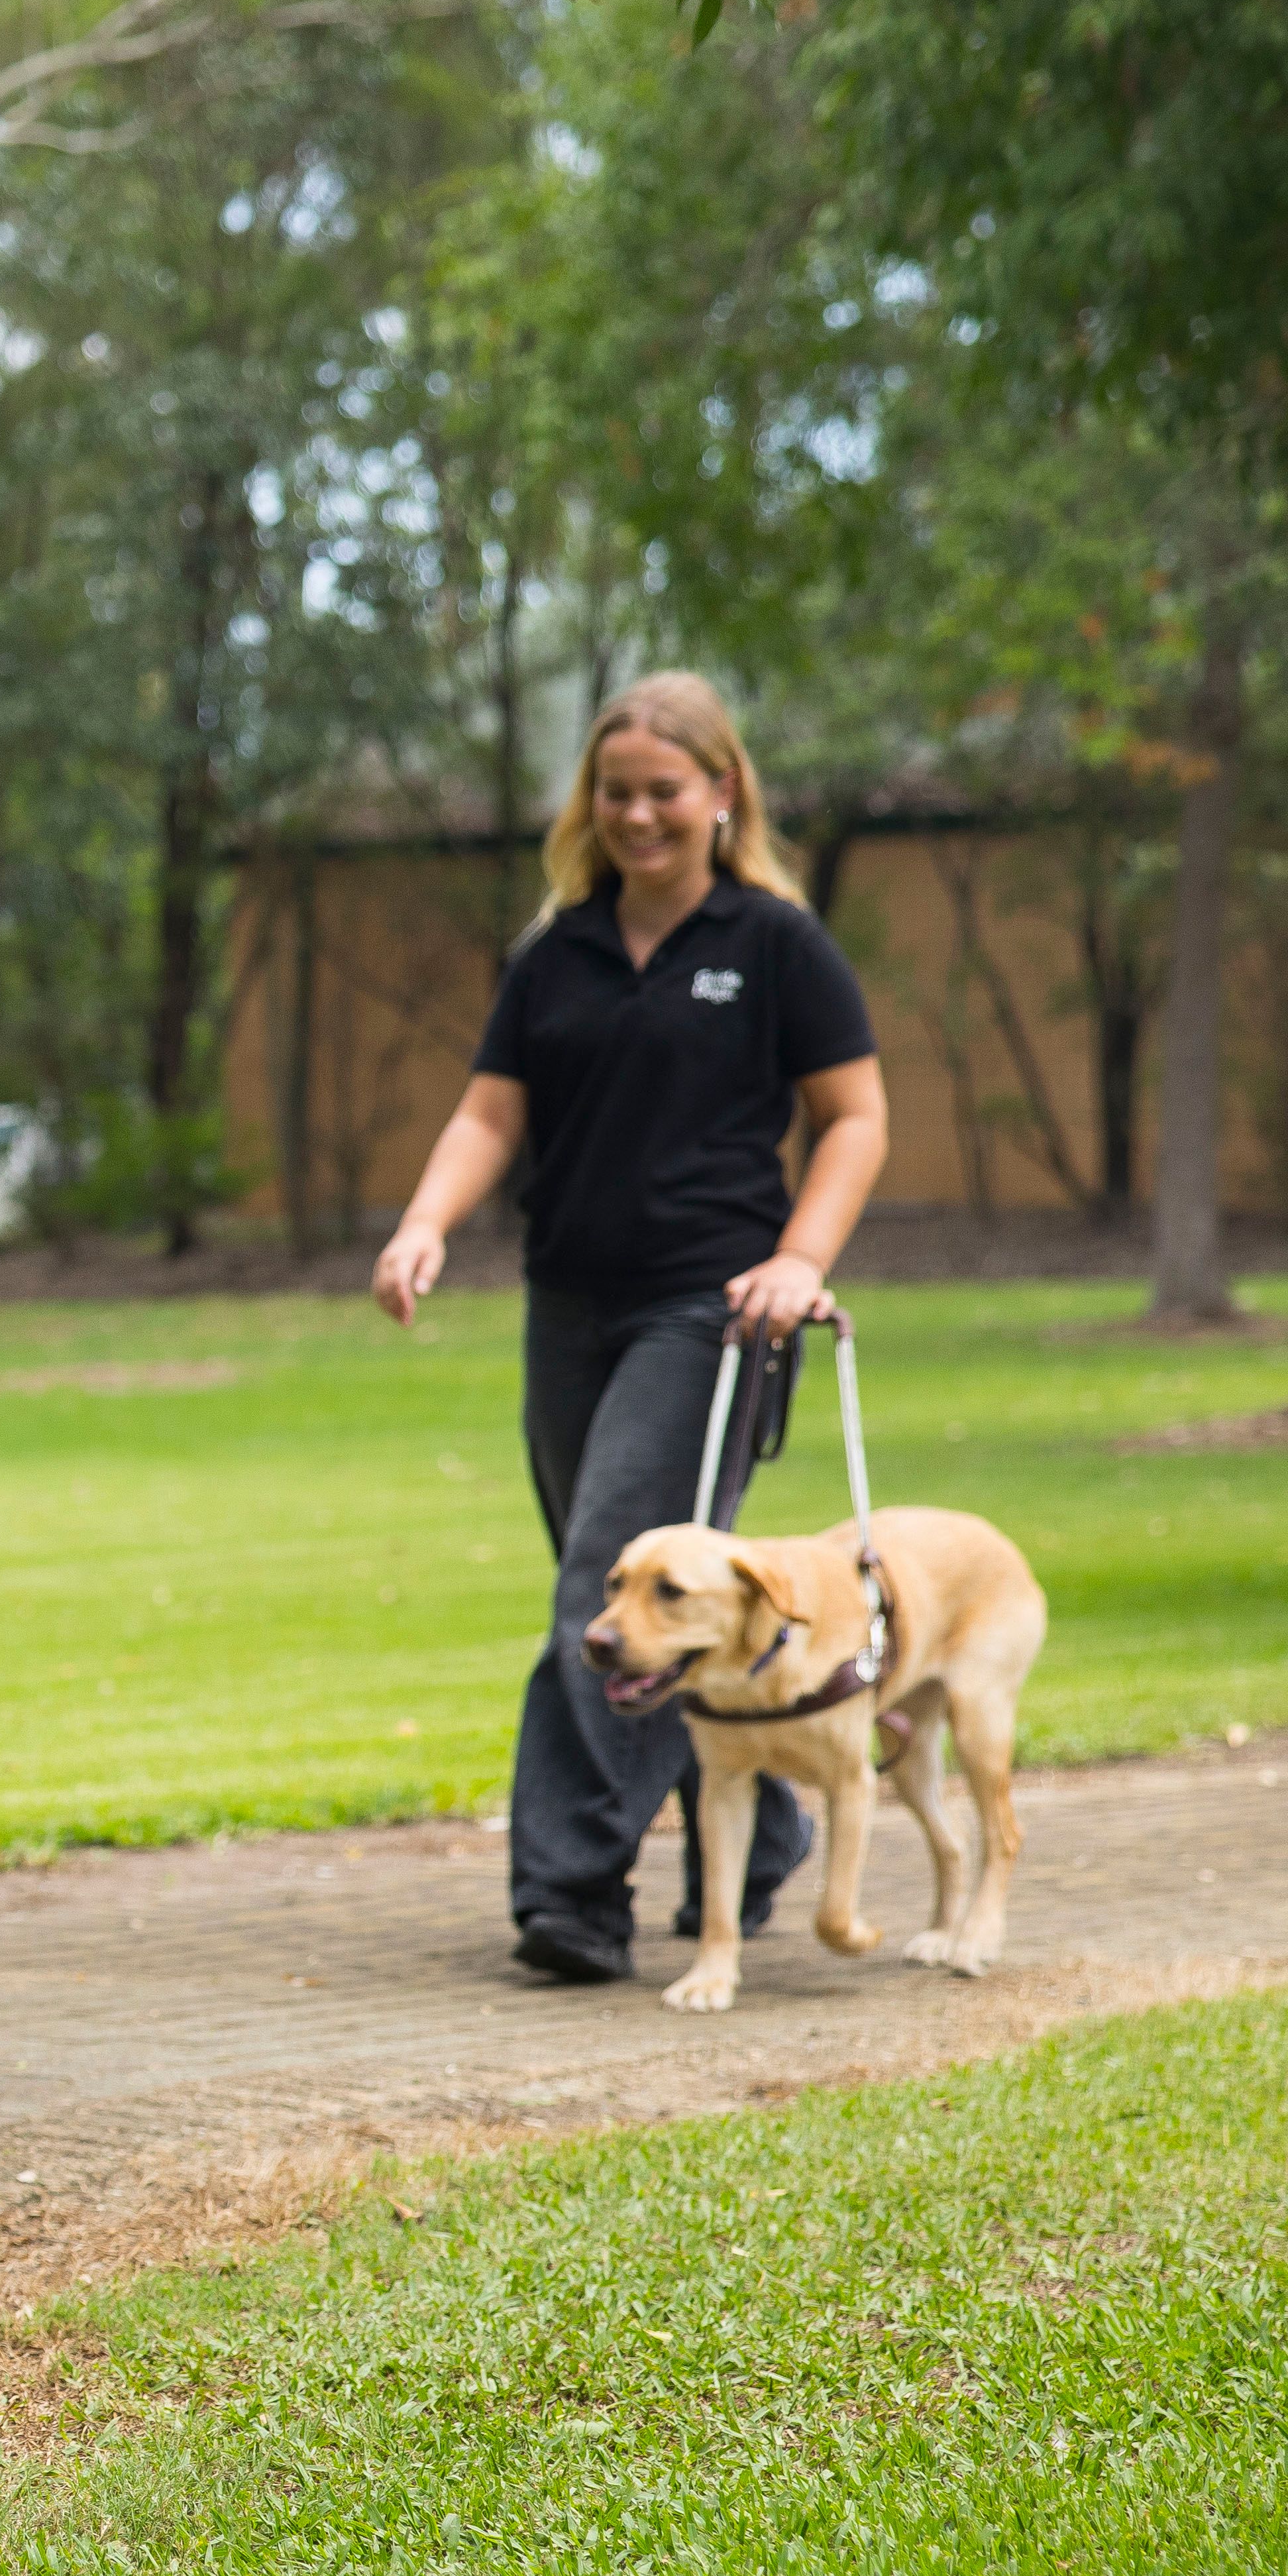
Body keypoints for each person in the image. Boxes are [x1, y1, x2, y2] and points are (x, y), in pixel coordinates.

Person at [373, 670, 890, 1984]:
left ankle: (570, 1892)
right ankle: (765, 1831)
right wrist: (426, 1223)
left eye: (664, 790)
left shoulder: (773, 943)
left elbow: (855, 1116)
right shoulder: (556, 952)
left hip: (712, 1311)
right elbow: (489, 1111)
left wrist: (799, 1259)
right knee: (635, 1602)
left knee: (598, 1598)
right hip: (570, 1306)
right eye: (615, 793)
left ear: (721, 793)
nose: (638, 815)